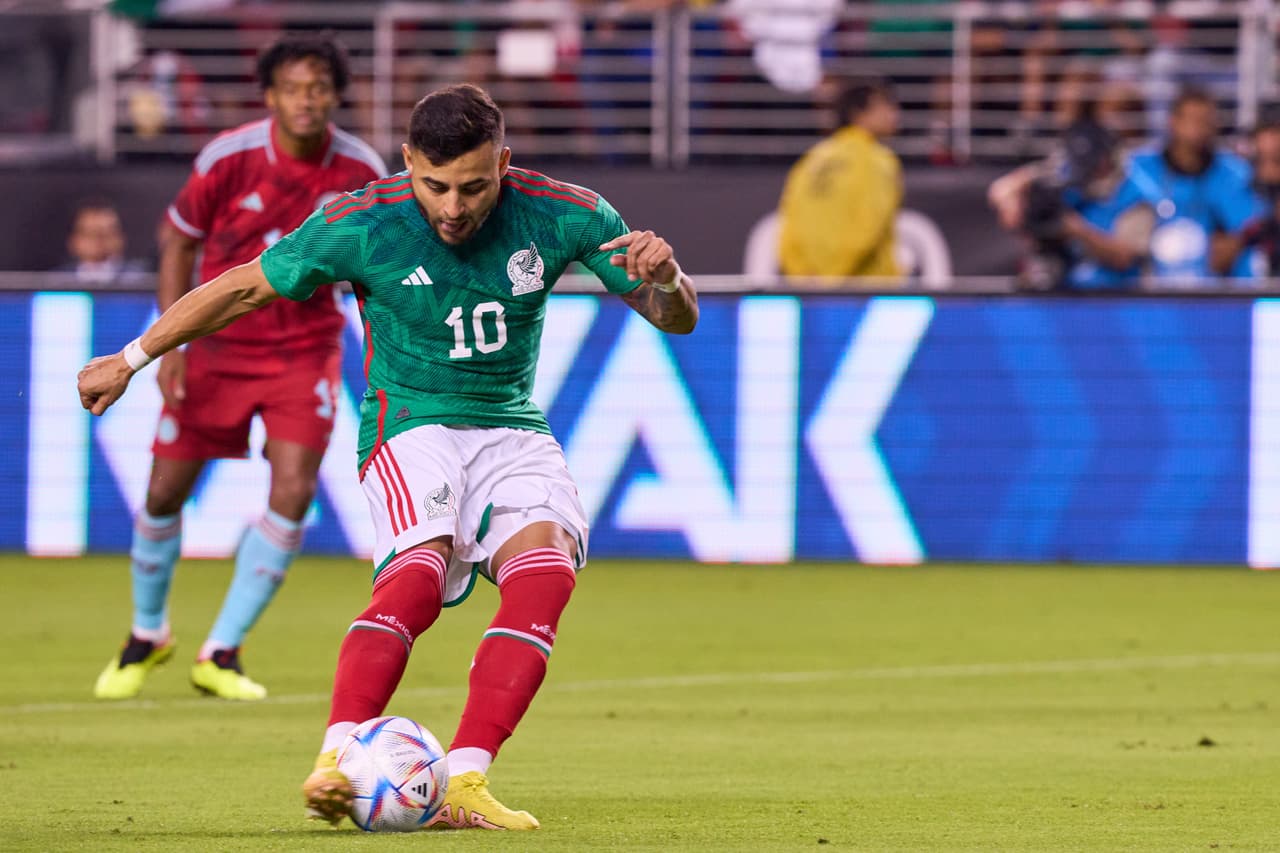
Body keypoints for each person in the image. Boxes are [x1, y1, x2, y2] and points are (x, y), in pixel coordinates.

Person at [77, 82, 698, 830]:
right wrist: (131, 357)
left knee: (546, 576)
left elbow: (674, 318)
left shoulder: (566, 212)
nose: (453, 207)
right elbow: (243, 289)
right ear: (407, 161)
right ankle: (335, 761)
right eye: (435, 185)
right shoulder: (363, 222)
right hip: (409, 425)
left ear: (503, 163)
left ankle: (465, 780)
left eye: (474, 186)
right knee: (419, 578)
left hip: (510, 427)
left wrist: (669, 279)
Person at [91, 33, 387, 703]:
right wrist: (169, 346)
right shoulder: (228, 158)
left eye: (318, 88)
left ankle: (221, 651)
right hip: (216, 345)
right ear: (270, 96)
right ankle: (147, 633)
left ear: (336, 96)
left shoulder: (360, 169)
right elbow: (178, 240)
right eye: (293, 88)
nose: (306, 100)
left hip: (304, 350)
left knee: (294, 489)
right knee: (165, 492)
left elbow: (381, 264)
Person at [988, 111, 1155, 290]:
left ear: (1107, 159)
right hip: (1064, 291)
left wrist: (1077, 231)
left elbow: (1125, 257)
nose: (1088, 172)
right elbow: (1000, 190)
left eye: (1092, 164)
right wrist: (1015, 205)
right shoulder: (1067, 172)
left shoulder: (1136, 196)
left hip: (1115, 295)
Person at [1122, 86, 1256, 284]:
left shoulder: (1235, 173)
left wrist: (1232, 243)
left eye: (1207, 121)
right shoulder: (1139, 170)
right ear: (1173, 122)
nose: (1200, 129)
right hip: (1149, 282)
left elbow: (1247, 226)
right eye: (1193, 120)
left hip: (1213, 286)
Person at [776, 77, 902, 281]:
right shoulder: (878, 159)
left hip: (809, 287)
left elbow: (788, 225)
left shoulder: (811, 160)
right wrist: (834, 277)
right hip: (866, 289)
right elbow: (870, 225)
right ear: (858, 113)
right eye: (884, 106)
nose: (893, 113)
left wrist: (803, 277)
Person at [56, 198, 150, 285]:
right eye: (90, 233)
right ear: (73, 241)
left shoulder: (141, 280)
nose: (98, 240)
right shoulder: (57, 281)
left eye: (106, 233)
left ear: (121, 238)